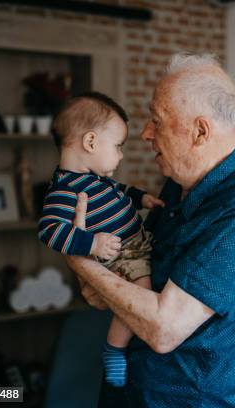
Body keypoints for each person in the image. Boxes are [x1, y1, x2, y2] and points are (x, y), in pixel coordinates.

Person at [65, 53, 235, 407]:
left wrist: (81, 260)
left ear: (200, 131)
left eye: (157, 121)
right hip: (135, 392)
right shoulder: (177, 186)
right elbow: (119, 284)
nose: (145, 133)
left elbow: (163, 329)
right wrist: (104, 276)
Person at [38, 92, 164, 388]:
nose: (121, 155)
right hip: (121, 256)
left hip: (136, 243)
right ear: (91, 142)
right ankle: (114, 348)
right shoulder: (64, 190)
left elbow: (117, 190)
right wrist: (91, 244)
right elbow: (50, 230)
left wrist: (140, 197)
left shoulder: (94, 178)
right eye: (118, 146)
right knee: (141, 294)